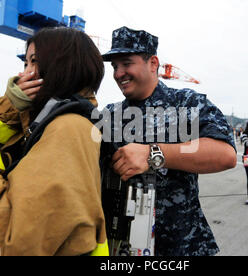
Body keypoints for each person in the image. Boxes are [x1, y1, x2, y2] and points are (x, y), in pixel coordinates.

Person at [0, 27, 108, 256]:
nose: (23, 75)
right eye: (25, 64)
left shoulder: (68, 129)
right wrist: (10, 106)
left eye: (34, 62)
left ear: (61, 67)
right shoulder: (49, 122)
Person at [99, 26, 237, 256]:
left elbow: (225, 155)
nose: (118, 73)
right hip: (121, 246)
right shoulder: (110, 115)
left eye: (126, 63)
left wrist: (152, 154)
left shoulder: (186, 103)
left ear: (153, 63)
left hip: (181, 246)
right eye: (114, 67)